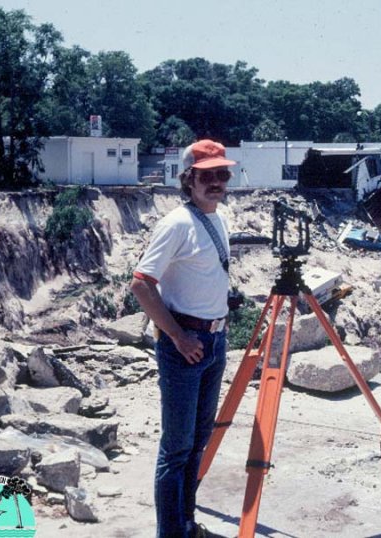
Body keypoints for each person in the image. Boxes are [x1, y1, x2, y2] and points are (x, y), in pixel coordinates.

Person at [130, 139, 235, 538]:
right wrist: (176, 336)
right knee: (176, 450)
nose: (216, 183)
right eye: (207, 175)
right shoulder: (176, 223)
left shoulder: (218, 220)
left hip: (214, 341)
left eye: (222, 174)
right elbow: (141, 284)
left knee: (197, 444)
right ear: (188, 179)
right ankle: (171, 533)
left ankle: (186, 526)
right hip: (185, 346)